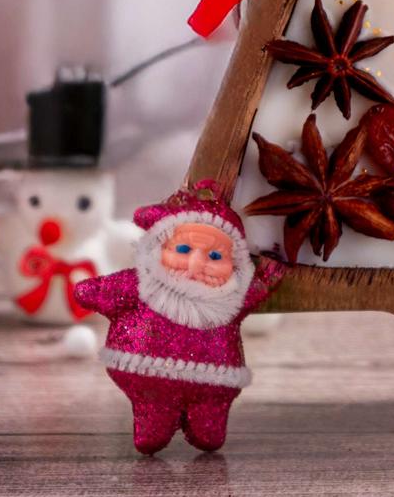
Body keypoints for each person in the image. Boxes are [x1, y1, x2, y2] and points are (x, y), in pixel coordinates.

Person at [74, 179, 286, 454]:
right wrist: (88, 290)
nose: (196, 265)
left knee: (209, 436)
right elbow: (98, 291)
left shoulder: (231, 295)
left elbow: (259, 287)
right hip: (149, 379)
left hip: (212, 386)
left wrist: (273, 273)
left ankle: (206, 422)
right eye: (184, 250)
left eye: (214, 255)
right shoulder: (140, 285)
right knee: (151, 431)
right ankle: (152, 421)